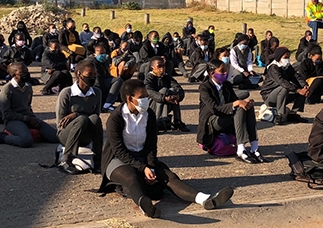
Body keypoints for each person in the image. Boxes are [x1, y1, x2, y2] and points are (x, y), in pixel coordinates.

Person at [100, 79, 235, 218]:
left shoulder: (149, 114)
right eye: (142, 97)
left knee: (169, 176)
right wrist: (142, 168)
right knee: (132, 178)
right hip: (118, 160)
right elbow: (119, 150)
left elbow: (151, 145)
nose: (146, 100)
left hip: (143, 156)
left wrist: (151, 166)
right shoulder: (116, 118)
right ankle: (145, 206)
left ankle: (205, 199)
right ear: (129, 98)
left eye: (146, 96)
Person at [198, 60, 263, 163]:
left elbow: (235, 100)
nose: (225, 73)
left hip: (226, 117)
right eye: (222, 71)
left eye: (226, 70)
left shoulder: (227, 85)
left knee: (246, 107)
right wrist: (236, 103)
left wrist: (246, 102)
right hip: (212, 121)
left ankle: (254, 148)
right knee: (239, 108)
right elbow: (215, 109)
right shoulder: (205, 87)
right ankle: (241, 149)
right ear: (212, 73)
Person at [0, 63, 60, 149]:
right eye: (22, 73)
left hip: (28, 118)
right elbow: (6, 114)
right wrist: (26, 119)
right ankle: (3, 137)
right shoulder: (7, 90)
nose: (26, 74)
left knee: (55, 137)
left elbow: (28, 106)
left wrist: (33, 119)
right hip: (13, 120)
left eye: (27, 71)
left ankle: (28, 133)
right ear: (14, 75)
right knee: (26, 141)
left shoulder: (28, 87)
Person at [53, 60, 105, 174]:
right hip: (67, 134)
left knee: (95, 119)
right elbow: (60, 122)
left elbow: (95, 115)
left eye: (94, 75)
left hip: (85, 135)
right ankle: (66, 160)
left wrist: (76, 114)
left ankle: (98, 159)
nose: (92, 78)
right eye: (89, 75)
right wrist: (78, 116)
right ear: (79, 74)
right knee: (82, 119)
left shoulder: (97, 92)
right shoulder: (67, 93)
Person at [260, 47, 307, 124]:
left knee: (303, 90)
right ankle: (280, 115)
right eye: (285, 57)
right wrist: (297, 90)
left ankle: (293, 114)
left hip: (282, 95)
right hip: (269, 95)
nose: (287, 59)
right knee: (284, 88)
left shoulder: (287, 67)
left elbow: (295, 76)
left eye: (288, 57)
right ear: (279, 57)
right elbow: (282, 82)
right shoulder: (274, 68)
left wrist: (304, 85)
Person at [145, 56, 188, 132]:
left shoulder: (166, 76)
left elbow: (178, 87)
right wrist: (164, 98)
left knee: (173, 91)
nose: (162, 68)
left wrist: (177, 96)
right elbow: (150, 92)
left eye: (163, 66)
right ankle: (158, 121)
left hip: (167, 102)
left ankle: (177, 121)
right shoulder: (149, 79)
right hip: (152, 105)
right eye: (159, 66)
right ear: (152, 68)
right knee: (164, 90)